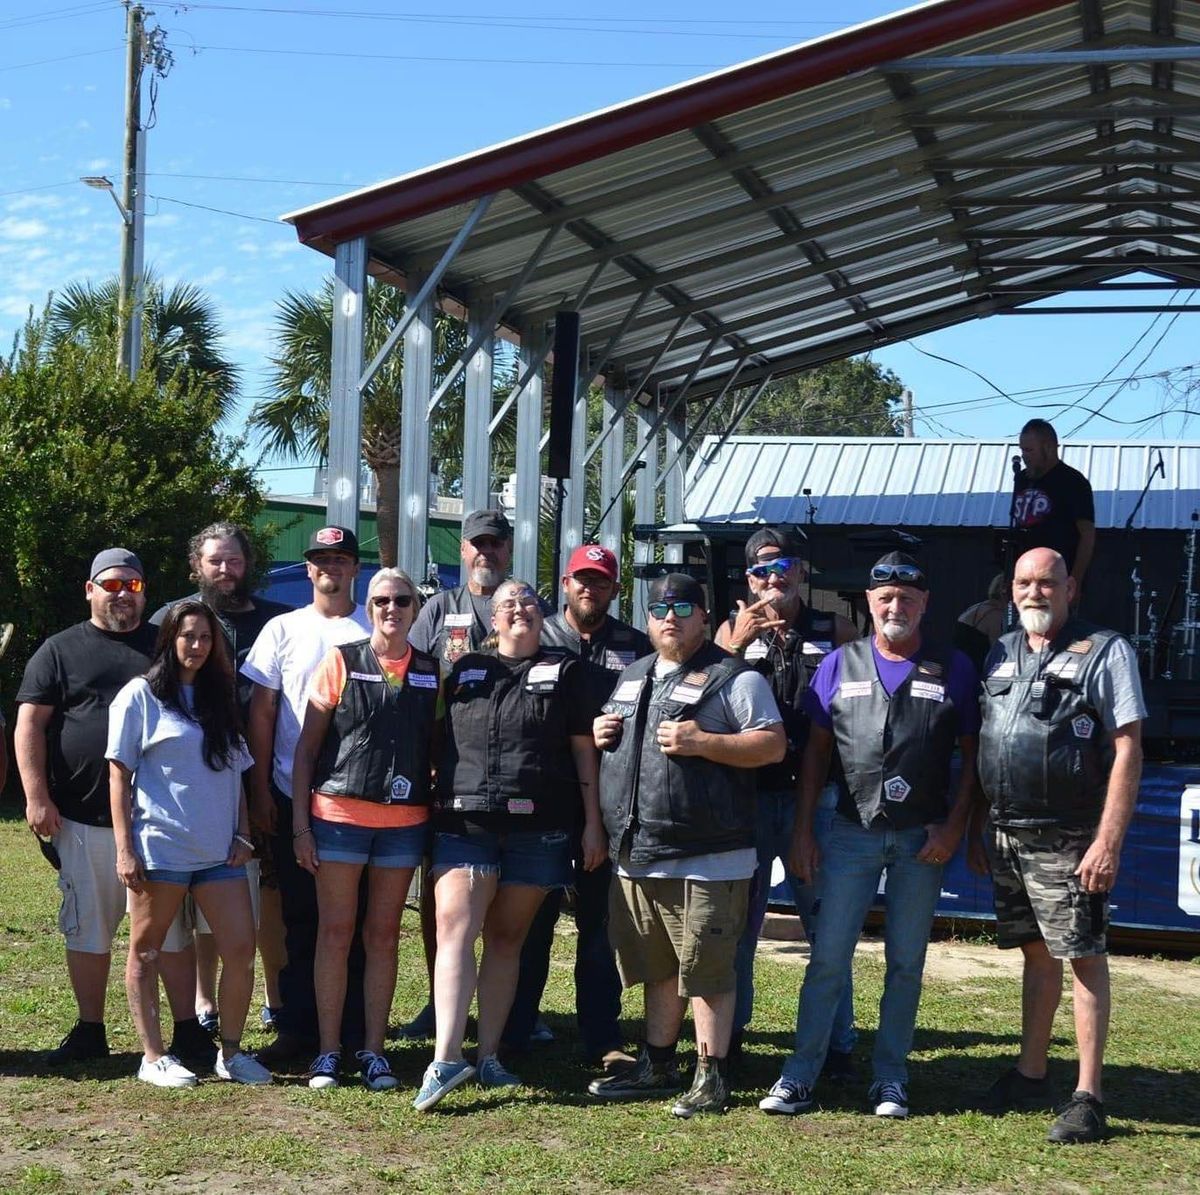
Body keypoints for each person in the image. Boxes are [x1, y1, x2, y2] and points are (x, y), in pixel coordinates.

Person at [759, 552, 979, 1120]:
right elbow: (815, 754)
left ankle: (890, 1078)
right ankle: (798, 1075)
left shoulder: (951, 666)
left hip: (921, 840)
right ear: (869, 603)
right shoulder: (839, 663)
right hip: (851, 834)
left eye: (907, 597)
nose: (895, 606)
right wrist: (803, 830)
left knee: (906, 963)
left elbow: (973, 758)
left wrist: (955, 826)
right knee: (828, 957)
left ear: (924, 603)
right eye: (884, 597)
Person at [590, 573, 786, 1118]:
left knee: (706, 969)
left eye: (682, 607)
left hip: (711, 855)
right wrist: (606, 731)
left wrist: (705, 742)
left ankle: (712, 1076)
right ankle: (658, 1064)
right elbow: (619, 744)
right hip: (640, 851)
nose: (669, 617)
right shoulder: (631, 676)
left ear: (705, 617)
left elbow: (772, 744)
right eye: (659, 609)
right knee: (656, 968)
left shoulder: (734, 678)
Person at [970, 547, 1145, 1144]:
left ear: (1071, 587)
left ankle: (1089, 1095)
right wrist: (976, 826)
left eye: (1047, 582)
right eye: (1024, 583)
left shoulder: (1106, 650)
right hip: (1007, 833)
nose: (1034, 593)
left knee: (1084, 957)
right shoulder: (1003, 650)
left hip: (1071, 837)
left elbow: (1127, 747)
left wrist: (1108, 841)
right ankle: (1031, 1071)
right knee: (1036, 955)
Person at [413, 579, 603, 1111]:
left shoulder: (567, 673)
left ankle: (489, 1057)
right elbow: (431, 736)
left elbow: (584, 753)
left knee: (506, 941)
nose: (518, 609)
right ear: (491, 620)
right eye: (507, 605)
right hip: (465, 823)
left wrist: (592, 823)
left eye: (527, 603)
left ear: (542, 617)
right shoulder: (464, 669)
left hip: (539, 829)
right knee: (455, 931)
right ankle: (446, 1057)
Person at [14, 548, 205, 1067]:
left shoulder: (163, 648)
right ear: (90, 589)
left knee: (170, 932)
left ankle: (188, 1030)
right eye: (112, 584)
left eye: (134, 586)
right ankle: (90, 1028)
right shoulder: (59, 650)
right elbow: (30, 724)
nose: (123, 594)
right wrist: (36, 796)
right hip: (83, 818)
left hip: (159, 823)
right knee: (88, 927)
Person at [107, 600, 270, 1088]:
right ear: (169, 640)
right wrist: (125, 848)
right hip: (161, 851)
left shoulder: (220, 698)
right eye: (188, 636)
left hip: (220, 854)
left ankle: (233, 1053)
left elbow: (238, 772)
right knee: (147, 951)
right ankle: (152, 1056)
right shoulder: (139, 696)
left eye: (205, 638)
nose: (196, 646)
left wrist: (243, 833)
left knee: (241, 949)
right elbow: (119, 776)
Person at [715, 528, 858, 1074]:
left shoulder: (835, 628)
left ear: (801, 572)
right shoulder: (732, 631)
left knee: (827, 928)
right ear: (748, 578)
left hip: (814, 800)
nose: (774, 579)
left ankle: (837, 1043)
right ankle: (731, 1039)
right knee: (736, 928)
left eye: (784, 567)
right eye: (762, 570)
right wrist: (733, 645)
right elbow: (702, 692)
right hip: (746, 801)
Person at [291, 568, 437, 1092]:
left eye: (401, 600)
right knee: (335, 934)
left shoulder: (432, 671)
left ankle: (374, 1051)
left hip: (404, 824)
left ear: (415, 609)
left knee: (382, 938)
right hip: (338, 820)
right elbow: (307, 750)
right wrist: (299, 827)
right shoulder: (341, 661)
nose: (391, 609)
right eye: (380, 601)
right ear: (368, 607)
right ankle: (329, 1052)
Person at [505, 543, 648, 1068]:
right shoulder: (536, 636)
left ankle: (602, 1039)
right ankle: (513, 1034)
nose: (591, 588)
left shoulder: (636, 646)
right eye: (581, 579)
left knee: (599, 928)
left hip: (608, 807)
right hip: (542, 802)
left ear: (615, 589)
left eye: (602, 581)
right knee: (529, 926)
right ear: (565, 584)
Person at [151, 521, 292, 1038]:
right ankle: (204, 1001)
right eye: (216, 561)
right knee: (207, 895)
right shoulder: (173, 619)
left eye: (234, 560)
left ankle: (277, 1001)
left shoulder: (279, 622)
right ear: (197, 566)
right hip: (195, 785)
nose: (227, 571)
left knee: (266, 895)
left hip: (266, 777)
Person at [241, 526, 372, 1066]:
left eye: (341, 560)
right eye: (321, 560)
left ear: (354, 569)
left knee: (360, 921)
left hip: (361, 797)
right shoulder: (282, 629)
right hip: (291, 792)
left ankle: (359, 1032)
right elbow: (262, 712)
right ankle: (297, 1028)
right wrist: (260, 791)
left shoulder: (375, 623)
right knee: (300, 917)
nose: (331, 569)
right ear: (309, 568)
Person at [402, 508, 516, 1039]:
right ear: (462, 551)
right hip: (446, 775)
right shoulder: (438, 609)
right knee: (442, 898)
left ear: (508, 550)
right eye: (476, 544)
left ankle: (509, 1012)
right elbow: (417, 682)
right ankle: (439, 1002)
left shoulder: (522, 605)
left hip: (511, 779)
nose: (485, 553)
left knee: (508, 901)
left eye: (494, 544)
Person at [1012, 419, 1096, 594]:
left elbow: (1087, 534)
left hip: (1056, 579)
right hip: (1025, 577)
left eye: (1029, 450)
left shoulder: (1073, 482)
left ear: (1049, 448)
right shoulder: (1022, 479)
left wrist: (1075, 580)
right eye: (1022, 450)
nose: (1024, 456)